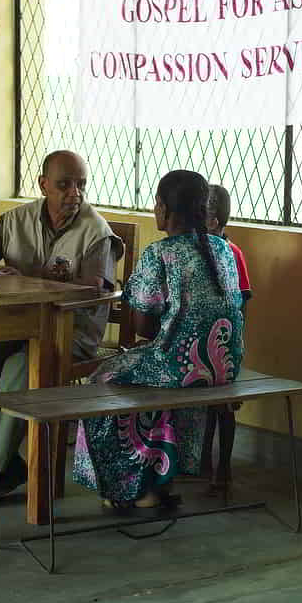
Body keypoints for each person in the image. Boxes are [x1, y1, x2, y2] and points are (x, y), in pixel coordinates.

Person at [0, 150, 123, 503]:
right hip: (18, 327)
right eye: (64, 185)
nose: (74, 193)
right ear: (43, 185)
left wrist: (28, 277)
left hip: (69, 335)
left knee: (20, 366)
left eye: (81, 185)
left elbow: (95, 287)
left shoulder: (96, 232)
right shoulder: (16, 220)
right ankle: (4, 463)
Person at [72, 170, 243, 511]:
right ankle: (157, 483)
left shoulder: (159, 253)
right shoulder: (224, 249)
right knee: (146, 374)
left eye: (155, 203)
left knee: (104, 378)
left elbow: (145, 329)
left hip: (182, 368)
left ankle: (128, 486)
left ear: (164, 209)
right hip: (225, 366)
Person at [200, 184, 252, 494]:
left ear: (215, 221)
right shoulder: (196, 248)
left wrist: (234, 342)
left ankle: (225, 467)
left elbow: (243, 301)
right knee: (207, 408)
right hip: (203, 340)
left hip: (224, 343)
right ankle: (204, 462)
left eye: (202, 215)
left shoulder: (232, 253)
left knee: (223, 409)